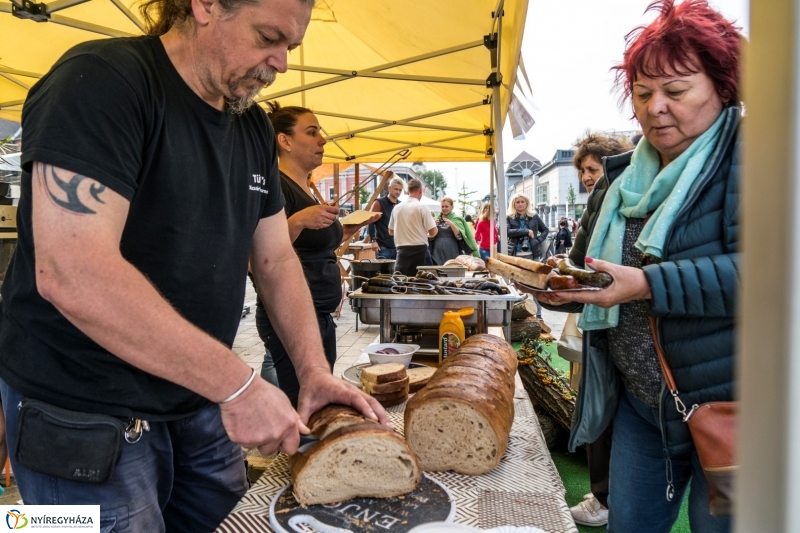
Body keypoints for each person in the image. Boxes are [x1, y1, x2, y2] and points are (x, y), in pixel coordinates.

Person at [0, 0, 389, 530]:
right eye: (268, 36)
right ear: (205, 5)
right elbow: (72, 270)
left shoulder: (251, 128)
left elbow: (274, 259)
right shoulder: (100, 82)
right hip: (82, 415)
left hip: (199, 398)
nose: (280, 64)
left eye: (289, 47)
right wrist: (240, 385)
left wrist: (313, 371)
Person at [527, 1, 742, 530]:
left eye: (676, 90)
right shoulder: (621, 176)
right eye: (643, 94)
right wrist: (564, 282)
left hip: (731, 413)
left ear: (721, 84)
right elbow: (588, 263)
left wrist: (647, 283)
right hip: (643, 408)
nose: (655, 108)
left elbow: (768, 275)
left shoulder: (756, 157)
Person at [259, 102, 380, 407]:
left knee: (316, 402)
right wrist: (299, 220)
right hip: (293, 314)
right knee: (304, 407)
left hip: (318, 313)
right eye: (311, 133)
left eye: (320, 133)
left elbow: (320, 249)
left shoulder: (307, 187)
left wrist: (350, 230)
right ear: (284, 141)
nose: (322, 140)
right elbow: (261, 253)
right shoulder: (276, 185)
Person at [566, 131, 635, 527]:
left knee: (610, 409)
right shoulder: (597, 198)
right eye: (583, 171)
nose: (588, 177)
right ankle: (604, 496)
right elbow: (581, 259)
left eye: (593, 168)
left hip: (629, 324)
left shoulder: (624, 187)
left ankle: (607, 497)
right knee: (602, 409)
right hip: (602, 323)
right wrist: (559, 283)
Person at [507, 193, 547, 318]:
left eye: (522, 202)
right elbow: (507, 232)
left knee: (536, 285)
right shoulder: (509, 217)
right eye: (517, 202)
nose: (520, 204)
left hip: (533, 254)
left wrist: (537, 240)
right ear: (513, 204)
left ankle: (539, 315)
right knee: (515, 284)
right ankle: (515, 313)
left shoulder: (534, 216)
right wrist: (526, 231)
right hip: (515, 255)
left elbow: (545, 229)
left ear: (527, 203)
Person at [388, 178, 437, 276]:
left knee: (402, 282)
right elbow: (433, 232)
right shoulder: (422, 207)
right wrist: (424, 233)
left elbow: (391, 231)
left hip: (401, 250)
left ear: (407, 191)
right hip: (419, 249)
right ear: (420, 191)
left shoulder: (397, 208)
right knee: (423, 283)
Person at [429, 197, 480, 265]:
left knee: (452, 269)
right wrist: (433, 226)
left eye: (446, 206)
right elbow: (430, 236)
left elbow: (460, 237)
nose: (444, 208)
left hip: (452, 250)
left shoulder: (457, 219)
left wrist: (452, 224)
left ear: (452, 207)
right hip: (437, 251)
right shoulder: (436, 219)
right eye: (442, 206)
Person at [368, 173, 404, 260]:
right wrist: (373, 240)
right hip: (383, 247)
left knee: (398, 273)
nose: (398, 192)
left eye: (400, 190)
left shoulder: (401, 204)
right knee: (382, 273)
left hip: (398, 246)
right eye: (396, 189)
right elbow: (370, 221)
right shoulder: (379, 203)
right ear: (389, 188)